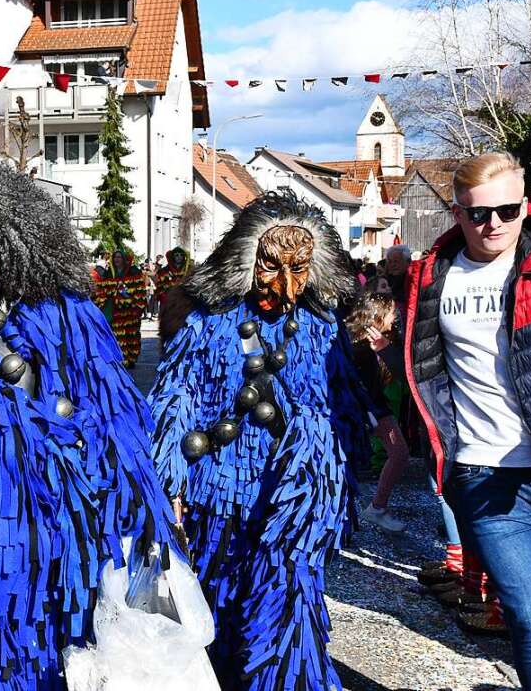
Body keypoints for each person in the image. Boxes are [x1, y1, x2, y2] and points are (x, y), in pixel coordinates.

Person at [0, 141, 216, 691]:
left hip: (58, 548)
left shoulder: (66, 314)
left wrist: (150, 527)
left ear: (5, 210)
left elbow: (120, 438)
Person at [149, 190, 373, 691]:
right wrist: (171, 482)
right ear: (246, 259)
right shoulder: (207, 323)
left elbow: (342, 410)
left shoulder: (322, 329)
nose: (286, 287)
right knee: (211, 610)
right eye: (271, 267)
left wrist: (322, 468)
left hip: (285, 507)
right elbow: (176, 395)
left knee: (284, 619)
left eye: (300, 270)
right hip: (217, 497)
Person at [405, 152, 531, 689]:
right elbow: (425, 369)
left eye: (507, 211)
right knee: (530, 613)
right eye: (477, 213)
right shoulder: (432, 279)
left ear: (524, 205)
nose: (493, 224)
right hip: (485, 472)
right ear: (456, 212)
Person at [345, 292, 410, 532]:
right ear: (379, 314)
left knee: (400, 453)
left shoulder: (377, 341)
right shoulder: (355, 343)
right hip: (363, 409)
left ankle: (377, 507)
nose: (395, 317)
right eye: (392, 312)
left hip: (375, 407)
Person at [93, 249, 147, 367]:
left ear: (124, 259)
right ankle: (119, 358)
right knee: (117, 335)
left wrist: (136, 306)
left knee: (130, 335)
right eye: (115, 257)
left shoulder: (133, 272)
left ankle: (131, 358)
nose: (117, 259)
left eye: (119, 257)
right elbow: (103, 289)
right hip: (115, 311)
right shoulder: (109, 273)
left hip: (130, 311)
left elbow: (140, 290)